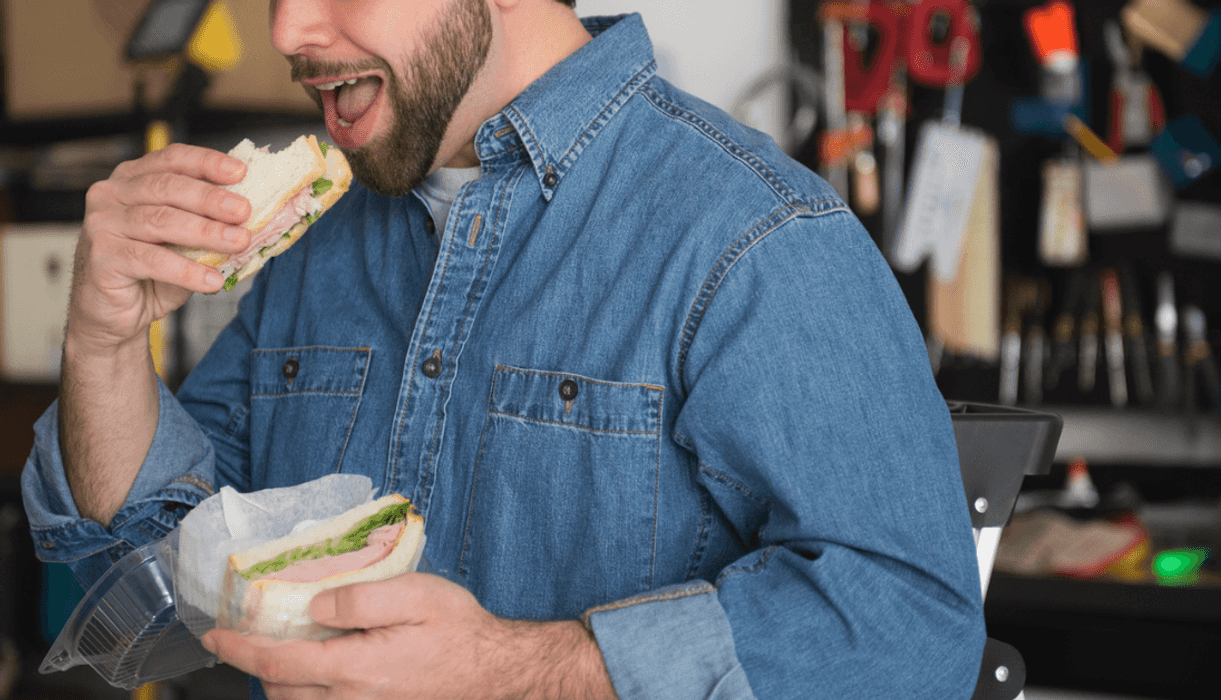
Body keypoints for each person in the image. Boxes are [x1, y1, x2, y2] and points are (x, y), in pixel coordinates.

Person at [23, 0, 986, 698]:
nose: (285, 30)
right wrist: (105, 344)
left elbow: (911, 627)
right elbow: (146, 582)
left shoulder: (756, 236)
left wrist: (521, 672)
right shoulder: (314, 248)